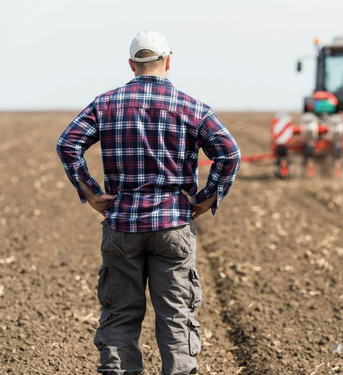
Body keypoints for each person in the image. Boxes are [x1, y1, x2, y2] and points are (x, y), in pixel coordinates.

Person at [56, 31, 241, 375]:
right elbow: (229, 153)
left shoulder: (105, 103)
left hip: (122, 226)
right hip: (173, 227)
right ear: (169, 61)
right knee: (176, 316)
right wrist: (207, 198)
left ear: (131, 65)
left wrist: (92, 193)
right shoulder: (193, 107)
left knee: (120, 315)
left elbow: (68, 144)